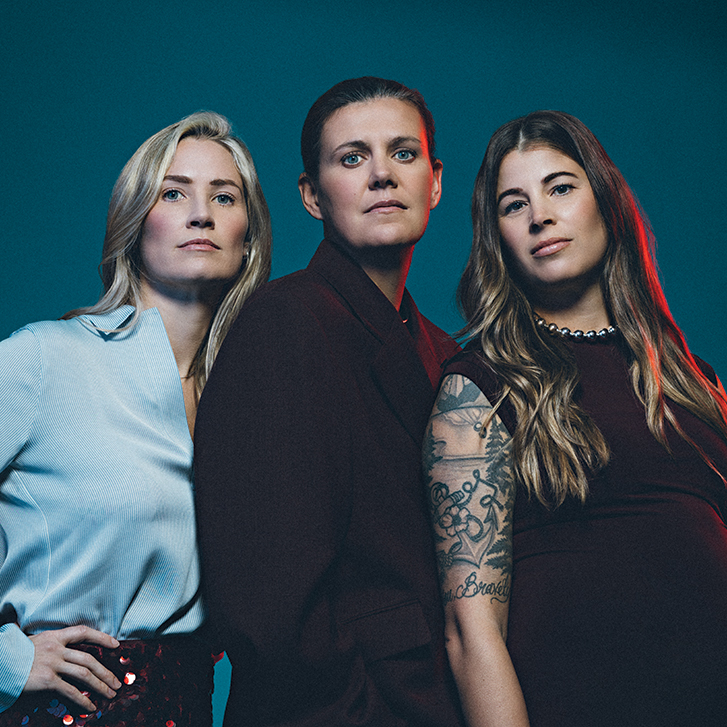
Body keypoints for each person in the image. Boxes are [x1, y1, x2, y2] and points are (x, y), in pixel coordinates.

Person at [423, 109, 727, 727]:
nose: (540, 215)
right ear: (497, 237)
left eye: (561, 187)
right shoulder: (477, 388)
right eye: (514, 204)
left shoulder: (695, 381)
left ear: (605, 202)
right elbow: (469, 634)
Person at [194, 77, 465, 726]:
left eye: (402, 154)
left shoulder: (446, 355)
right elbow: (265, 602)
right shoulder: (282, 321)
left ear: (433, 181)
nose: (380, 175)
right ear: (311, 196)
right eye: (352, 158)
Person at [0, 111, 272, 726]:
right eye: (173, 193)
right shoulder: (48, 359)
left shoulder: (254, 402)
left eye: (223, 197)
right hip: (63, 713)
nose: (200, 213)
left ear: (248, 235)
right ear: (133, 223)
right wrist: (9, 662)